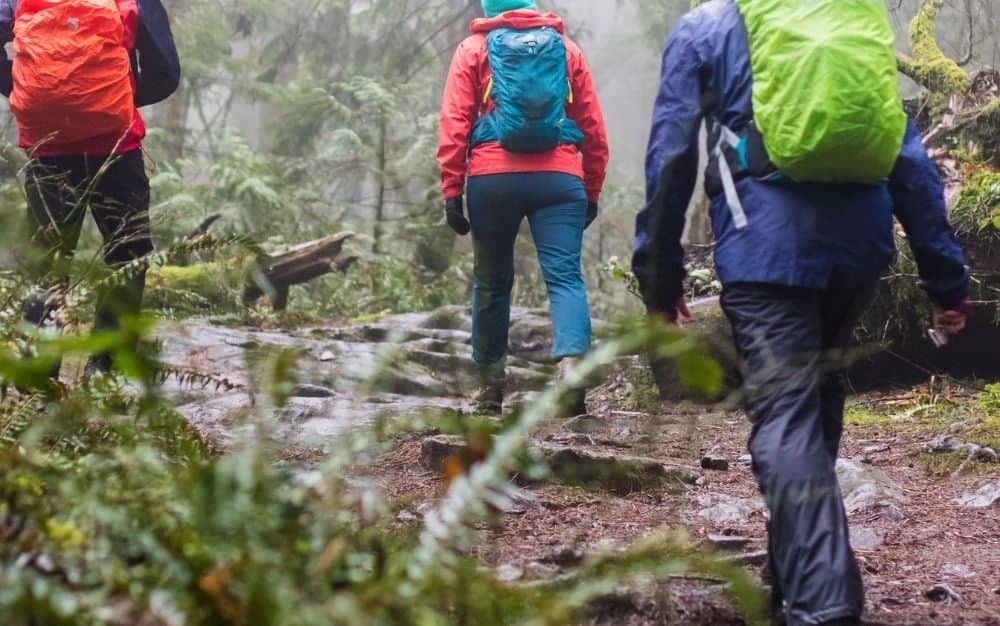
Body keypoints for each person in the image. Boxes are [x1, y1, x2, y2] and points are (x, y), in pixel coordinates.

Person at [632, 1, 969, 624]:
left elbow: (671, 155)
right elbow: (908, 156)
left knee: (786, 415)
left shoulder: (709, 28)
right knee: (817, 399)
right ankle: (793, 585)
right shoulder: (852, 22)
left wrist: (659, 277)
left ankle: (823, 602)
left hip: (765, 249)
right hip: (860, 247)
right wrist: (945, 277)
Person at [437, 0, 609, 415]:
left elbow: (455, 120)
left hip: (492, 180)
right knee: (565, 278)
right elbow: (592, 127)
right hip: (559, 177)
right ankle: (570, 368)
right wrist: (591, 188)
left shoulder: (473, 50)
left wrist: (451, 187)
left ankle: (490, 388)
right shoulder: (566, 50)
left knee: (492, 282)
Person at [0, 0, 180, 378]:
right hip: (117, 147)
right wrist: (115, 98)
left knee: (48, 260)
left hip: (48, 150)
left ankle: (37, 381)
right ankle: (106, 372)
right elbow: (166, 72)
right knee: (126, 256)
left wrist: (22, 88)